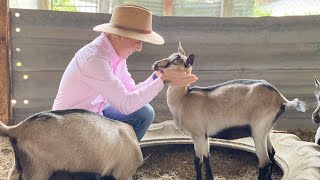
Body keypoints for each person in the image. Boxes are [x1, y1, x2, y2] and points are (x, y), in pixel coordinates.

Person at [52, 4, 198, 141]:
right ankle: (112, 163)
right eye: (137, 41)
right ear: (119, 36)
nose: (139, 48)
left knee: (144, 112)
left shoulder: (117, 56)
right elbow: (126, 104)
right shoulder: (95, 59)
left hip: (96, 113)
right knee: (135, 112)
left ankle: (124, 161)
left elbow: (130, 91)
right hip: (70, 123)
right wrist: (164, 80)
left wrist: (159, 73)